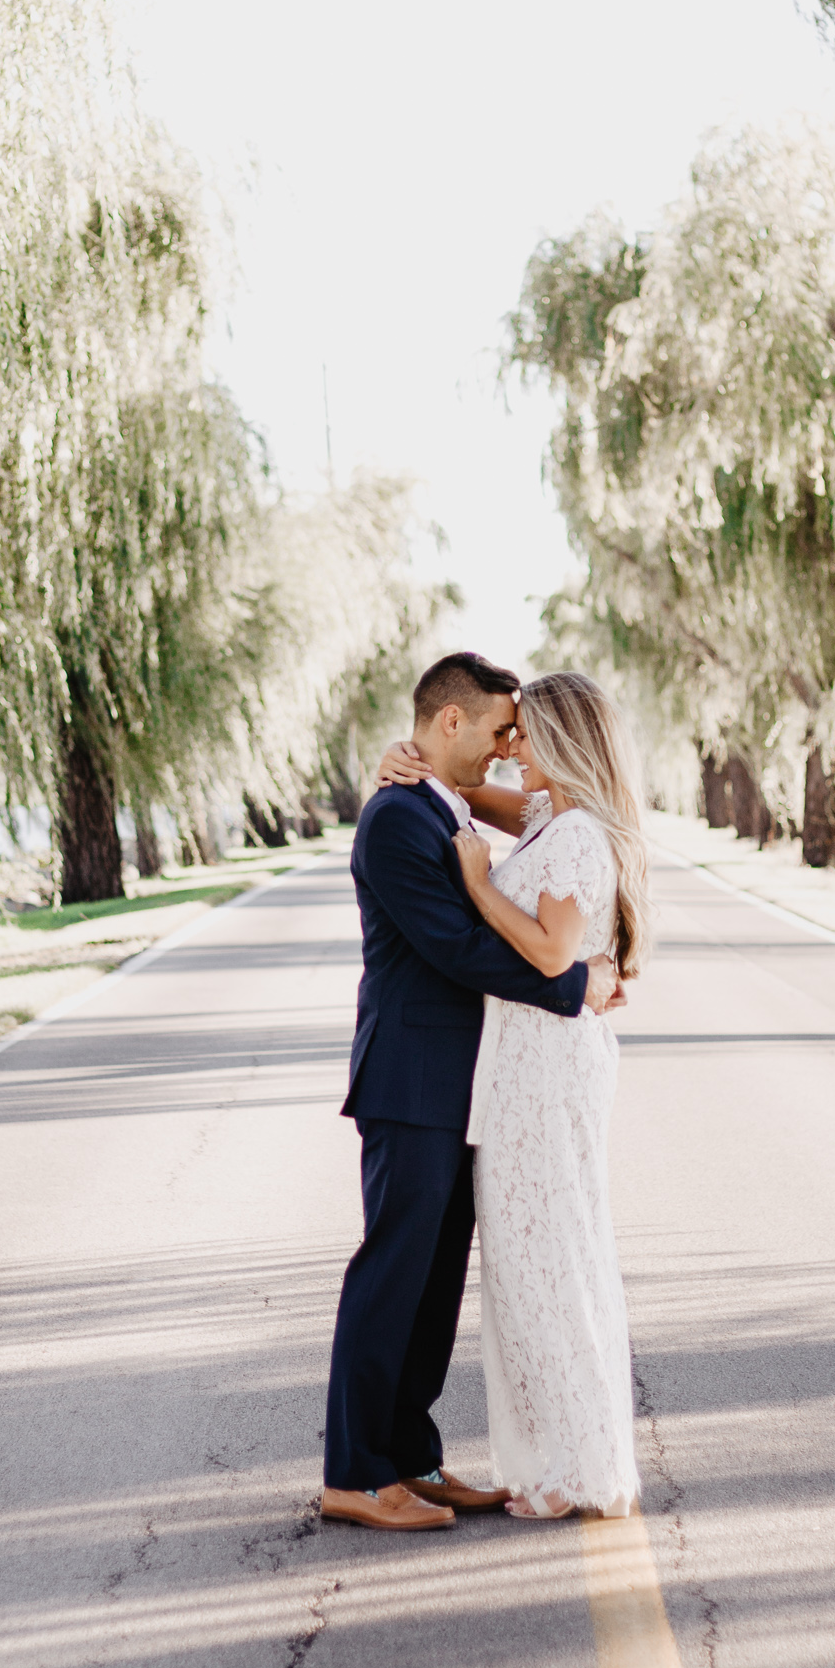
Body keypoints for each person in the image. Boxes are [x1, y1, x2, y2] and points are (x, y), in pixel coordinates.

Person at [322, 653, 625, 1533]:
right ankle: (353, 1471)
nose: (506, 747)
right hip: (412, 1082)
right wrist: (576, 986)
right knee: (391, 1272)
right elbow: (458, 946)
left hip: (471, 1087)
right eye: (498, 729)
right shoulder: (395, 820)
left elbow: (560, 813)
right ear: (447, 723)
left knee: (433, 1281)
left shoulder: (449, 807)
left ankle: (410, 1458)